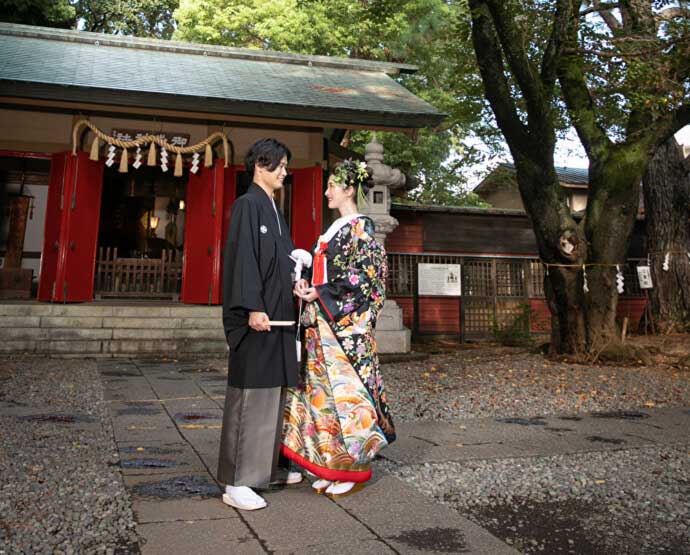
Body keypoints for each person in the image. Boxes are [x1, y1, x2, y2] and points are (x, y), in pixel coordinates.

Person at [282, 159, 396, 499]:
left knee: (350, 399)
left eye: (332, 185)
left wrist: (322, 291)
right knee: (322, 396)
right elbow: (329, 276)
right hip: (322, 323)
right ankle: (331, 463)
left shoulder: (362, 228)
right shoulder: (336, 229)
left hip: (346, 330)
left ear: (348, 189)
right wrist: (307, 285)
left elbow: (366, 277)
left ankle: (356, 467)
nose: (327, 191)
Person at [217, 138, 303, 511]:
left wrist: (297, 274)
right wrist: (251, 306)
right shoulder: (247, 205)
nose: (285, 171)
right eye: (280, 165)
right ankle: (236, 481)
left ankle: (264, 469)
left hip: (279, 314)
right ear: (260, 166)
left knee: (273, 395)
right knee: (251, 396)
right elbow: (243, 260)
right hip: (258, 317)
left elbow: (277, 261)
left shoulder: (273, 208)